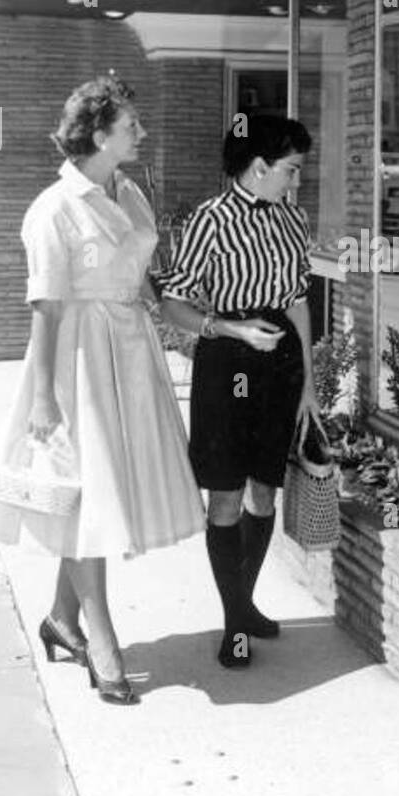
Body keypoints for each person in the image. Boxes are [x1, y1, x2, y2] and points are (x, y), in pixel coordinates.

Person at [0, 77, 205, 705]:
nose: (142, 134)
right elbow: (46, 309)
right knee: (84, 498)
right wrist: (44, 397)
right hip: (78, 358)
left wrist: (191, 322)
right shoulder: (53, 208)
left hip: (132, 353)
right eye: (132, 127)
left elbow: (143, 277)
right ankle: (101, 637)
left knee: (102, 495)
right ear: (99, 135)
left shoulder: (129, 193)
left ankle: (62, 620)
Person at [158, 115, 322, 669]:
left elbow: (299, 300)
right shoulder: (210, 220)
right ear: (259, 167)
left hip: (280, 370)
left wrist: (311, 384)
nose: (296, 181)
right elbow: (173, 303)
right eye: (291, 169)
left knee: (265, 491)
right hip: (227, 362)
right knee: (226, 494)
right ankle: (235, 623)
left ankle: (244, 605)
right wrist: (231, 329)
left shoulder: (293, 220)